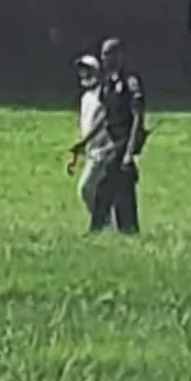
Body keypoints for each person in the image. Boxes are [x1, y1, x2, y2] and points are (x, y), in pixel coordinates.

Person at [89, 37, 145, 234]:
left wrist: (130, 151)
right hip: (112, 142)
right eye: (103, 54)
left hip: (124, 142)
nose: (104, 58)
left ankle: (100, 228)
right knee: (121, 188)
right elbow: (104, 117)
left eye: (108, 54)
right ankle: (127, 229)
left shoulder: (130, 82)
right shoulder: (108, 84)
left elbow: (138, 116)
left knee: (107, 187)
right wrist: (85, 141)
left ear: (119, 56)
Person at [64, 54, 114, 229]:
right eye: (82, 70)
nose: (84, 74)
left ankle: (105, 222)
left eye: (88, 70)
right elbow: (83, 125)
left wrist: (85, 142)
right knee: (99, 191)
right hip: (91, 151)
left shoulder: (104, 94)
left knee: (86, 188)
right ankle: (108, 223)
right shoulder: (85, 97)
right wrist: (75, 153)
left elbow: (104, 121)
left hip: (104, 150)